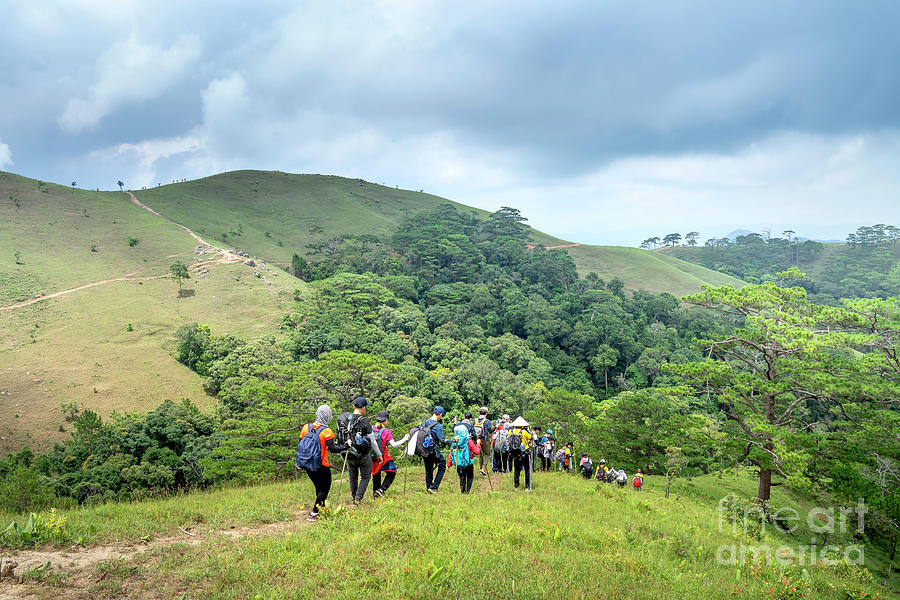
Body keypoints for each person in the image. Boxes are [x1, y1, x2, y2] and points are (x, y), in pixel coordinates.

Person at [295, 405, 347, 522]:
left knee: (319, 488)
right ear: (328, 416)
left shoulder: (306, 428)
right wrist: (346, 446)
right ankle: (314, 513)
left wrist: (298, 462)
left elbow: (300, 447)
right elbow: (333, 449)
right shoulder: (327, 432)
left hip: (307, 464)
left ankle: (322, 509)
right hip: (321, 465)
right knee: (325, 489)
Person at [344, 397, 381, 505]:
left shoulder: (346, 419)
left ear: (354, 406)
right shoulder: (364, 421)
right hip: (362, 453)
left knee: (353, 477)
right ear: (363, 407)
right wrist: (379, 454)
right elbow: (372, 440)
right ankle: (358, 498)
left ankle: (354, 497)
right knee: (365, 476)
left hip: (349, 452)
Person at [372, 410, 409, 498]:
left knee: (376, 474)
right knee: (392, 472)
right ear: (386, 420)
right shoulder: (386, 431)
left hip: (372, 455)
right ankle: (381, 489)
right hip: (383, 455)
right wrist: (405, 438)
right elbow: (394, 444)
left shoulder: (372, 428)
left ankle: (376, 494)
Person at [422, 406, 448, 494]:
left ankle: (429, 487)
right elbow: (442, 441)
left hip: (424, 450)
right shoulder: (438, 425)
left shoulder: (425, 422)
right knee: (442, 465)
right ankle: (434, 487)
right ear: (440, 414)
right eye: (442, 416)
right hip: (434, 451)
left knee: (428, 469)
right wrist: (453, 440)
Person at [449, 422, 481, 493]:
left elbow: (451, 453)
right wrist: (478, 444)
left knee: (462, 477)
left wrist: (449, 465)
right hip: (468, 462)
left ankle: (462, 490)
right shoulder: (468, 441)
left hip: (458, 463)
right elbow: (477, 452)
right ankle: (467, 491)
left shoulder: (454, 441)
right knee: (470, 477)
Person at [509, 416, 533, 490]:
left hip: (515, 452)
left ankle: (516, 486)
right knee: (527, 470)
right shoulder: (524, 432)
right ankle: (527, 487)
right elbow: (530, 438)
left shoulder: (511, 431)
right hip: (524, 452)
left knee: (516, 470)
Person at [472, 407, 492, 476]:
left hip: (477, 440)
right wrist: (496, 427)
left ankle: (481, 469)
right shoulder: (487, 421)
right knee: (487, 454)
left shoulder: (475, 420)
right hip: (485, 440)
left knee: (481, 454)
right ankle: (483, 468)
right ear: (486, 413)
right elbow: (490, 431)